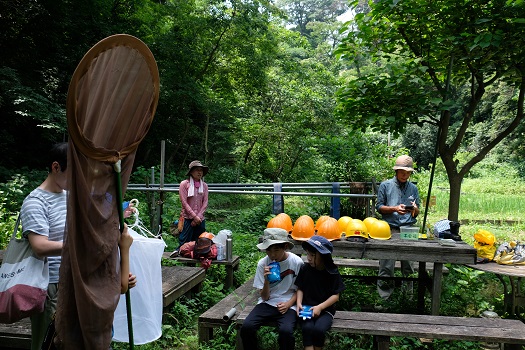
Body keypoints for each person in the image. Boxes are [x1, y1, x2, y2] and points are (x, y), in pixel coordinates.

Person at [20, 142, 68, 350]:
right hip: (50, 285)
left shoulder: (68, 196)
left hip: (71, 279)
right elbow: (40, 246)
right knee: (46, 343)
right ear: (56, 167)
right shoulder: (35, 202)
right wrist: (78, 246)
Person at [240, 228, 304, 350]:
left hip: (289, 304)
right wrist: (266, 281)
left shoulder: (297, 262)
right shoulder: (263, 264)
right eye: (268, 250)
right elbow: (264, 297)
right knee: (247, 327)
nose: (272, 255)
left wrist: (288, 304)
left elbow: (300, 289)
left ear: (285, 246)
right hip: (268, 303)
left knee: (286, 332)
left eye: (276, 250)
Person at [375, 155, 421, 302]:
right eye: (402, 171)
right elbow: (379, 207)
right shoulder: (385, 185)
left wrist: (414, 209)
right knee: (386, 266)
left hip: (408, 230)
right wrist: (394, 208)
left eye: (408, 172)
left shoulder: (413, 188)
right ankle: (384, 298)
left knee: (408, 266)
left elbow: (418, 211)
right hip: (388, 230)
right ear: (396, 171)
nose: (405, 175)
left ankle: (407, 299)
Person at [296, 236, 345, 350]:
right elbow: (300, 288)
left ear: (323, 256)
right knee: (307, 329)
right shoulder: (305, 269)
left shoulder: (332, 272)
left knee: (319, 330)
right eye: (308, 254)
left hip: (326, 311)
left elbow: (336, 296)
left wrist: (320, 307)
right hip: (307, 308)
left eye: (312, 255)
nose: (309, 258)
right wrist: (299, 303)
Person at [171, 160, 209, 257]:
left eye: (201, 170)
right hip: (187, 218)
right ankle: (180, 258)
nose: (199, 172)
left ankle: (196, 261)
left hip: (200, 219)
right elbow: (184, 202)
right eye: (197, 170)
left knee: (199, 241)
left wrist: (198, 217)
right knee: (184, 241)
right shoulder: (184, 184)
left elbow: (205, 202)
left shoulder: (204, 186)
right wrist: (193, 217)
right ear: (191, 172)